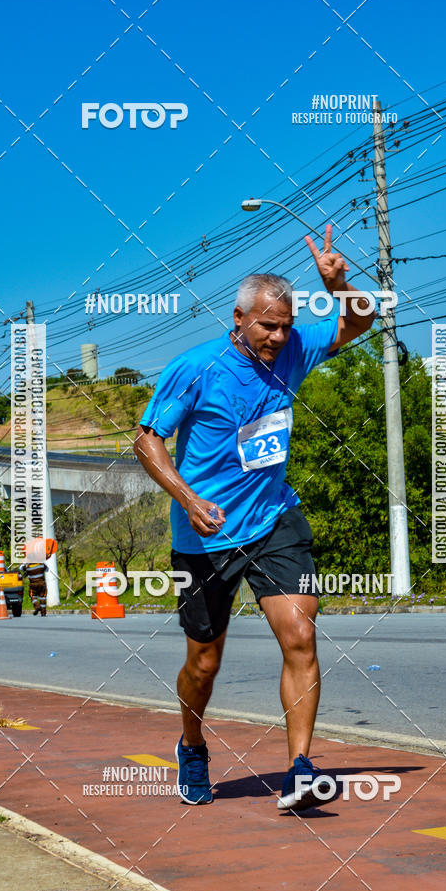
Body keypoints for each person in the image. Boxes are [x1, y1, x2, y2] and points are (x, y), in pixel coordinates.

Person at [134, 225, 375, 810]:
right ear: (238, 318)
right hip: (204, 534)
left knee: (300, 633)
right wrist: (189, 500)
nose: (277, 336)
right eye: (267, 325)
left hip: (274, 518)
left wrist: (340, 286)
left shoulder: (294, 348)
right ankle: (192, 745)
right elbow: (147, 441)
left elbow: (361, 322)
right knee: (204, 660)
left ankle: (299, 767)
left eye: (286, 325)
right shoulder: (196, 367)